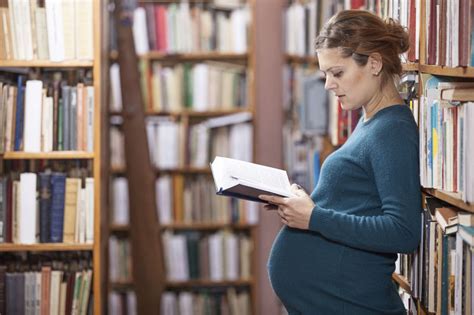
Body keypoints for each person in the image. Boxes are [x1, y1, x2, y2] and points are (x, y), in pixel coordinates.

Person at [259, 10, 421, 315]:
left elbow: (403, 231)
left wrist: (314, 217)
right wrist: (302, 204)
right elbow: (357, 204)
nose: (328, 85)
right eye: (325, 75)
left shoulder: (393, 130)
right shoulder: (369, 119)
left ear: (374, 63)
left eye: (337, 73)